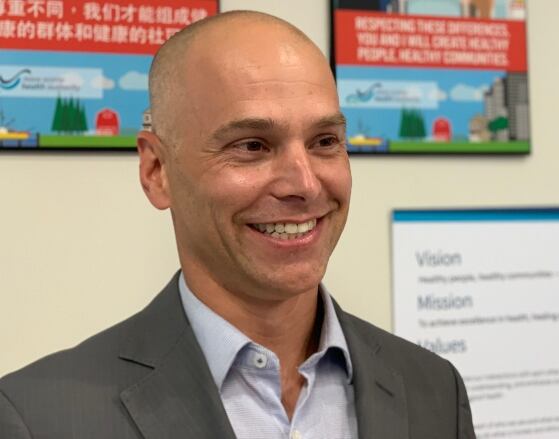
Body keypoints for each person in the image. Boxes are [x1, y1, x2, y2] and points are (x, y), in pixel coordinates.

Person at [0, 11, 476, 439]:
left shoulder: (432, 389)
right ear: (157, 172)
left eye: (325, 141)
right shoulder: (39, 418)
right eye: (252, 145)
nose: (305, 184)